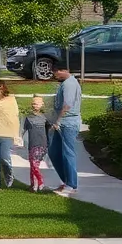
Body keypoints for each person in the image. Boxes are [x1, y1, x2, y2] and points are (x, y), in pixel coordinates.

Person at [47, 63, 82, 197]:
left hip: (67, 123)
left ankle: (71, 185)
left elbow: (67, 105)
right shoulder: (66, 83)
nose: (54, 75)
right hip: (62, 123)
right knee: (54, 152)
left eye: (55, 72)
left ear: (64, 70)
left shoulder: (69, 84)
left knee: (68, 153)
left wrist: (58, 121)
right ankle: (66, 181)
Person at [22, 96, 51, 193]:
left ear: (42, 104)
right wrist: (18, 139)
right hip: (32, 144)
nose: (36, 105)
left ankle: (40, 181)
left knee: (35, 164)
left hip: (42, 144)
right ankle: (33, 186)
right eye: (34, 103)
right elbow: (22, 130)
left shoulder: (45, 117)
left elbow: (49, 131)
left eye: (38, 103)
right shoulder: (28, 117)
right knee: (33, 164)